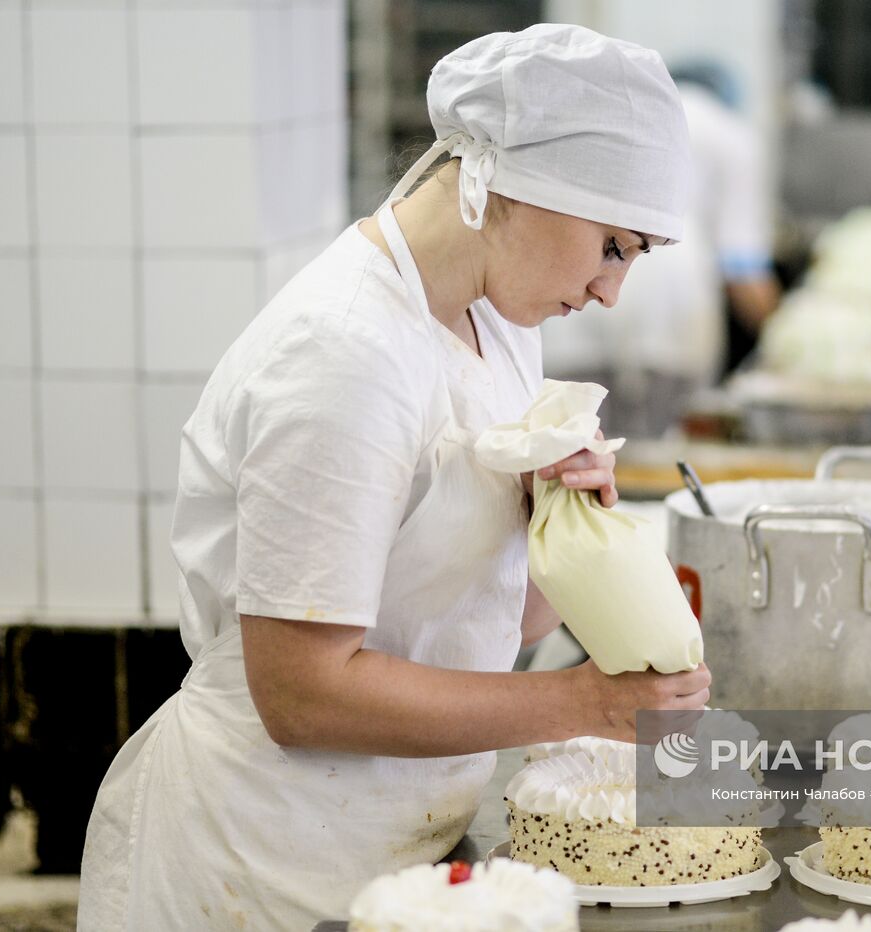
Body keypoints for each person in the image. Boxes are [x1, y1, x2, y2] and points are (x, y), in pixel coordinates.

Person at [78, 24, 711, 930]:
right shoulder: (346, 356)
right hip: (259, 862)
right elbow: (302, 693)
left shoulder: (497, 327)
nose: (612, 292)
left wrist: (566, 532)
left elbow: (488, 626)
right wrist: (581, 704)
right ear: (518, 187)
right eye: (613, 245)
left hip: (397, 851)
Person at [540, 69, 781, 438]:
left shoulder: (624, 115)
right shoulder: (733, 136)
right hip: (673, 309)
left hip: (577, 296)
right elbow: (742, 267)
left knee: (572, 446)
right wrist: (784, 340)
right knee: (657, 449)